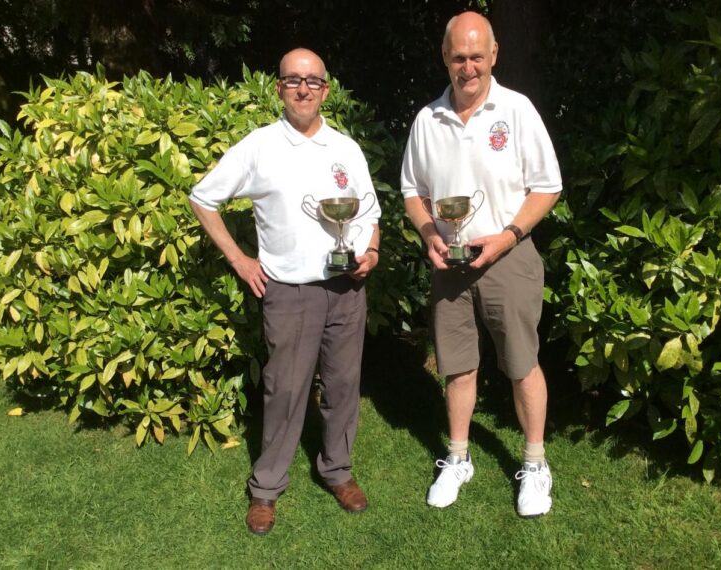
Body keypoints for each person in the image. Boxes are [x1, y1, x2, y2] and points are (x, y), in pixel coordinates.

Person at [189, 48, 381, 535]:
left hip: (346, 289)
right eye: (293, 80)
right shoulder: (259, 146)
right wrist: (239, 259)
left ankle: (336, 470)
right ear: (278, 88)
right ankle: (266, 488)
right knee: (285, 392)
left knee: (342, 388)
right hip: (290, 293)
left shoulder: (345, 148)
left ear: (326, 89)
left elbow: (370, 214)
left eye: (313, 81)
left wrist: (372, 253)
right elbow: (202, 197)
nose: (303, 89)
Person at [400, 11, 562, 518]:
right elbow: (412, 190)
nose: (467, 67)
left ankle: (534, 465)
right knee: (458, 366)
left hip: (507, 259)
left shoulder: (516, 110)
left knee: (521, 365)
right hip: (450, 263)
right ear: (445, 58)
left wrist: (509, 234)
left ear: (493, 55)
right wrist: (428, 231)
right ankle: (458, 457)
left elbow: (548, 186)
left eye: (476, 56)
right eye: (458, 56)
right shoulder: (428, 119)